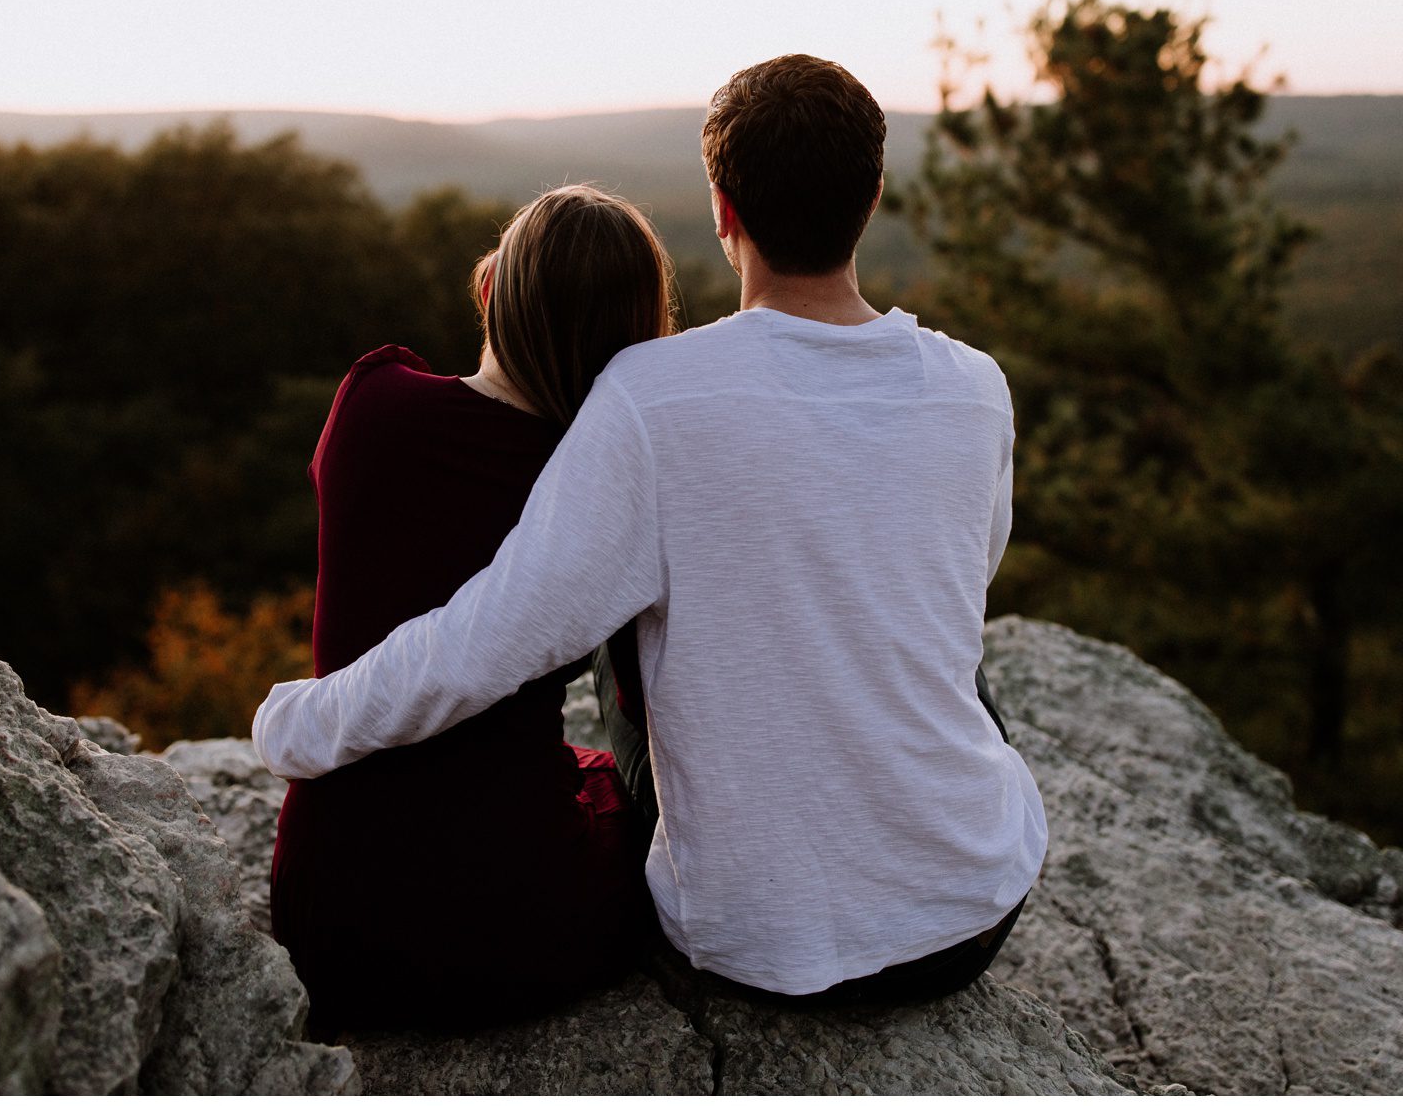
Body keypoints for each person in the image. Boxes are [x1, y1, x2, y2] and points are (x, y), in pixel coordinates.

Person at [256, 54, 1047, 1005]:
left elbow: (490, 641)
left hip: (760, 944)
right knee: (942, 640)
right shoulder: (976, 388)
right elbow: (964, 583)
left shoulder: (650, 397)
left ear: (722, 208)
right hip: (970, 916)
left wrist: (298, 724)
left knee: (620, 586)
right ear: (873, 196)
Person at [266, 184, 674, 1028]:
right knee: (625, 808)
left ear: (489, 291)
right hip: (510, 927)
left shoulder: (372, 403)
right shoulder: (599, 494)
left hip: (325, 913)